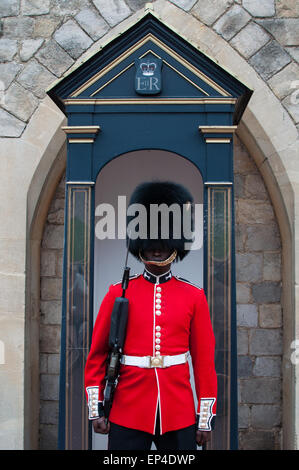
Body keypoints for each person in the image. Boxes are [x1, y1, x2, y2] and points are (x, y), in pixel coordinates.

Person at [84, 181, 217, 450]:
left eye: (164, 243)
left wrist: (204, 418)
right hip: (128, 409)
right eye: (151, 243)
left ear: (175, 244)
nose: (157, 249)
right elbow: (97, 354)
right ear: (139, 244)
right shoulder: (118, 293)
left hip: (177, 411)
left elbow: (204, 362)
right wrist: (96, 407)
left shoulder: (194, 296)